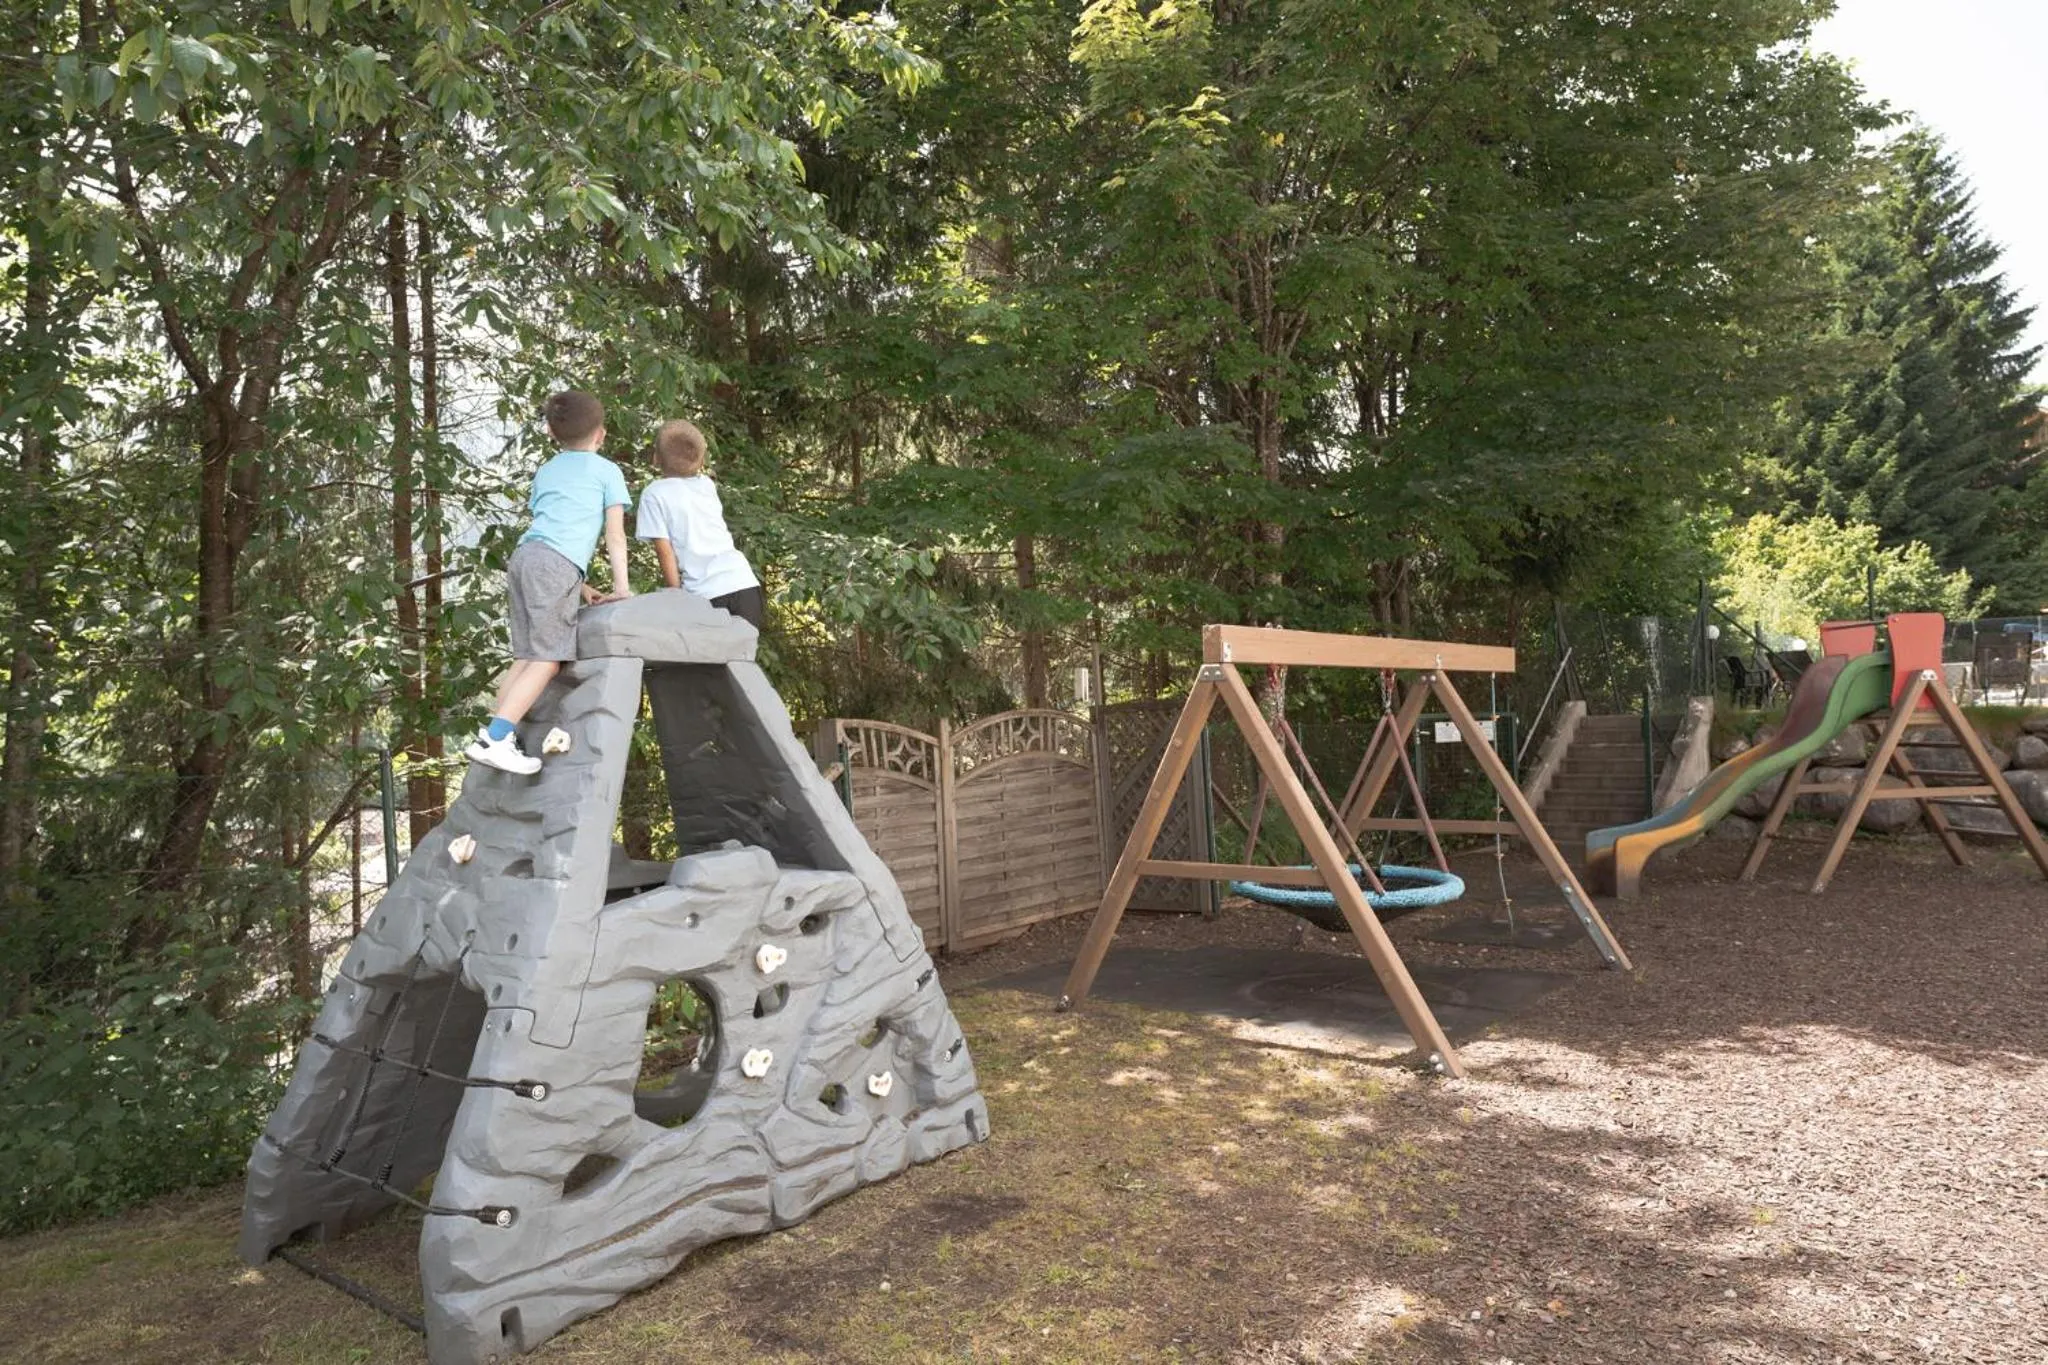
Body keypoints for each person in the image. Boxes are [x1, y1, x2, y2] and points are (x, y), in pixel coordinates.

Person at [464, 390, 632, 775]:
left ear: (552, 434)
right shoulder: (607, 471)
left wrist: (579, 584)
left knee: (525, 655)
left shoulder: (548, 470)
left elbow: (553, 524)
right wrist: (621, 588)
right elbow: (614, 534)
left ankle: (494, 730)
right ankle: (497, 739)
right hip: (552, 564)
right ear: (601, 435)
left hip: (526, 559)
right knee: (548, 660)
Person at [634, 419, 763, 628]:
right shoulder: (706, 485)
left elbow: (664, 550)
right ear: (701, 462)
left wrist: (675, 595)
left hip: (706, 594)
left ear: (656, 458)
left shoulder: (654, 494)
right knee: (742, 658)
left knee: (705, 660)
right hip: (745, 584)